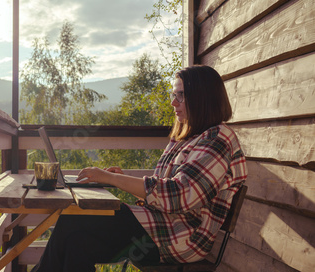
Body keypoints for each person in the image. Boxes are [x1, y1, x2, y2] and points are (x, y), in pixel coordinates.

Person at [31, 65, 248, 271]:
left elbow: (179, 195)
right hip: (160, 225)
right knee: (78, 244)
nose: (174, 102)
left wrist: (111, 179)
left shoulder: (218, 138)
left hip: (181, 237)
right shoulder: (186, 138)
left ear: (203, 97)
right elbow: (163, 186)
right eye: (174, 95)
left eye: (181, 95)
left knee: (75, 216)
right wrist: (123, 179)